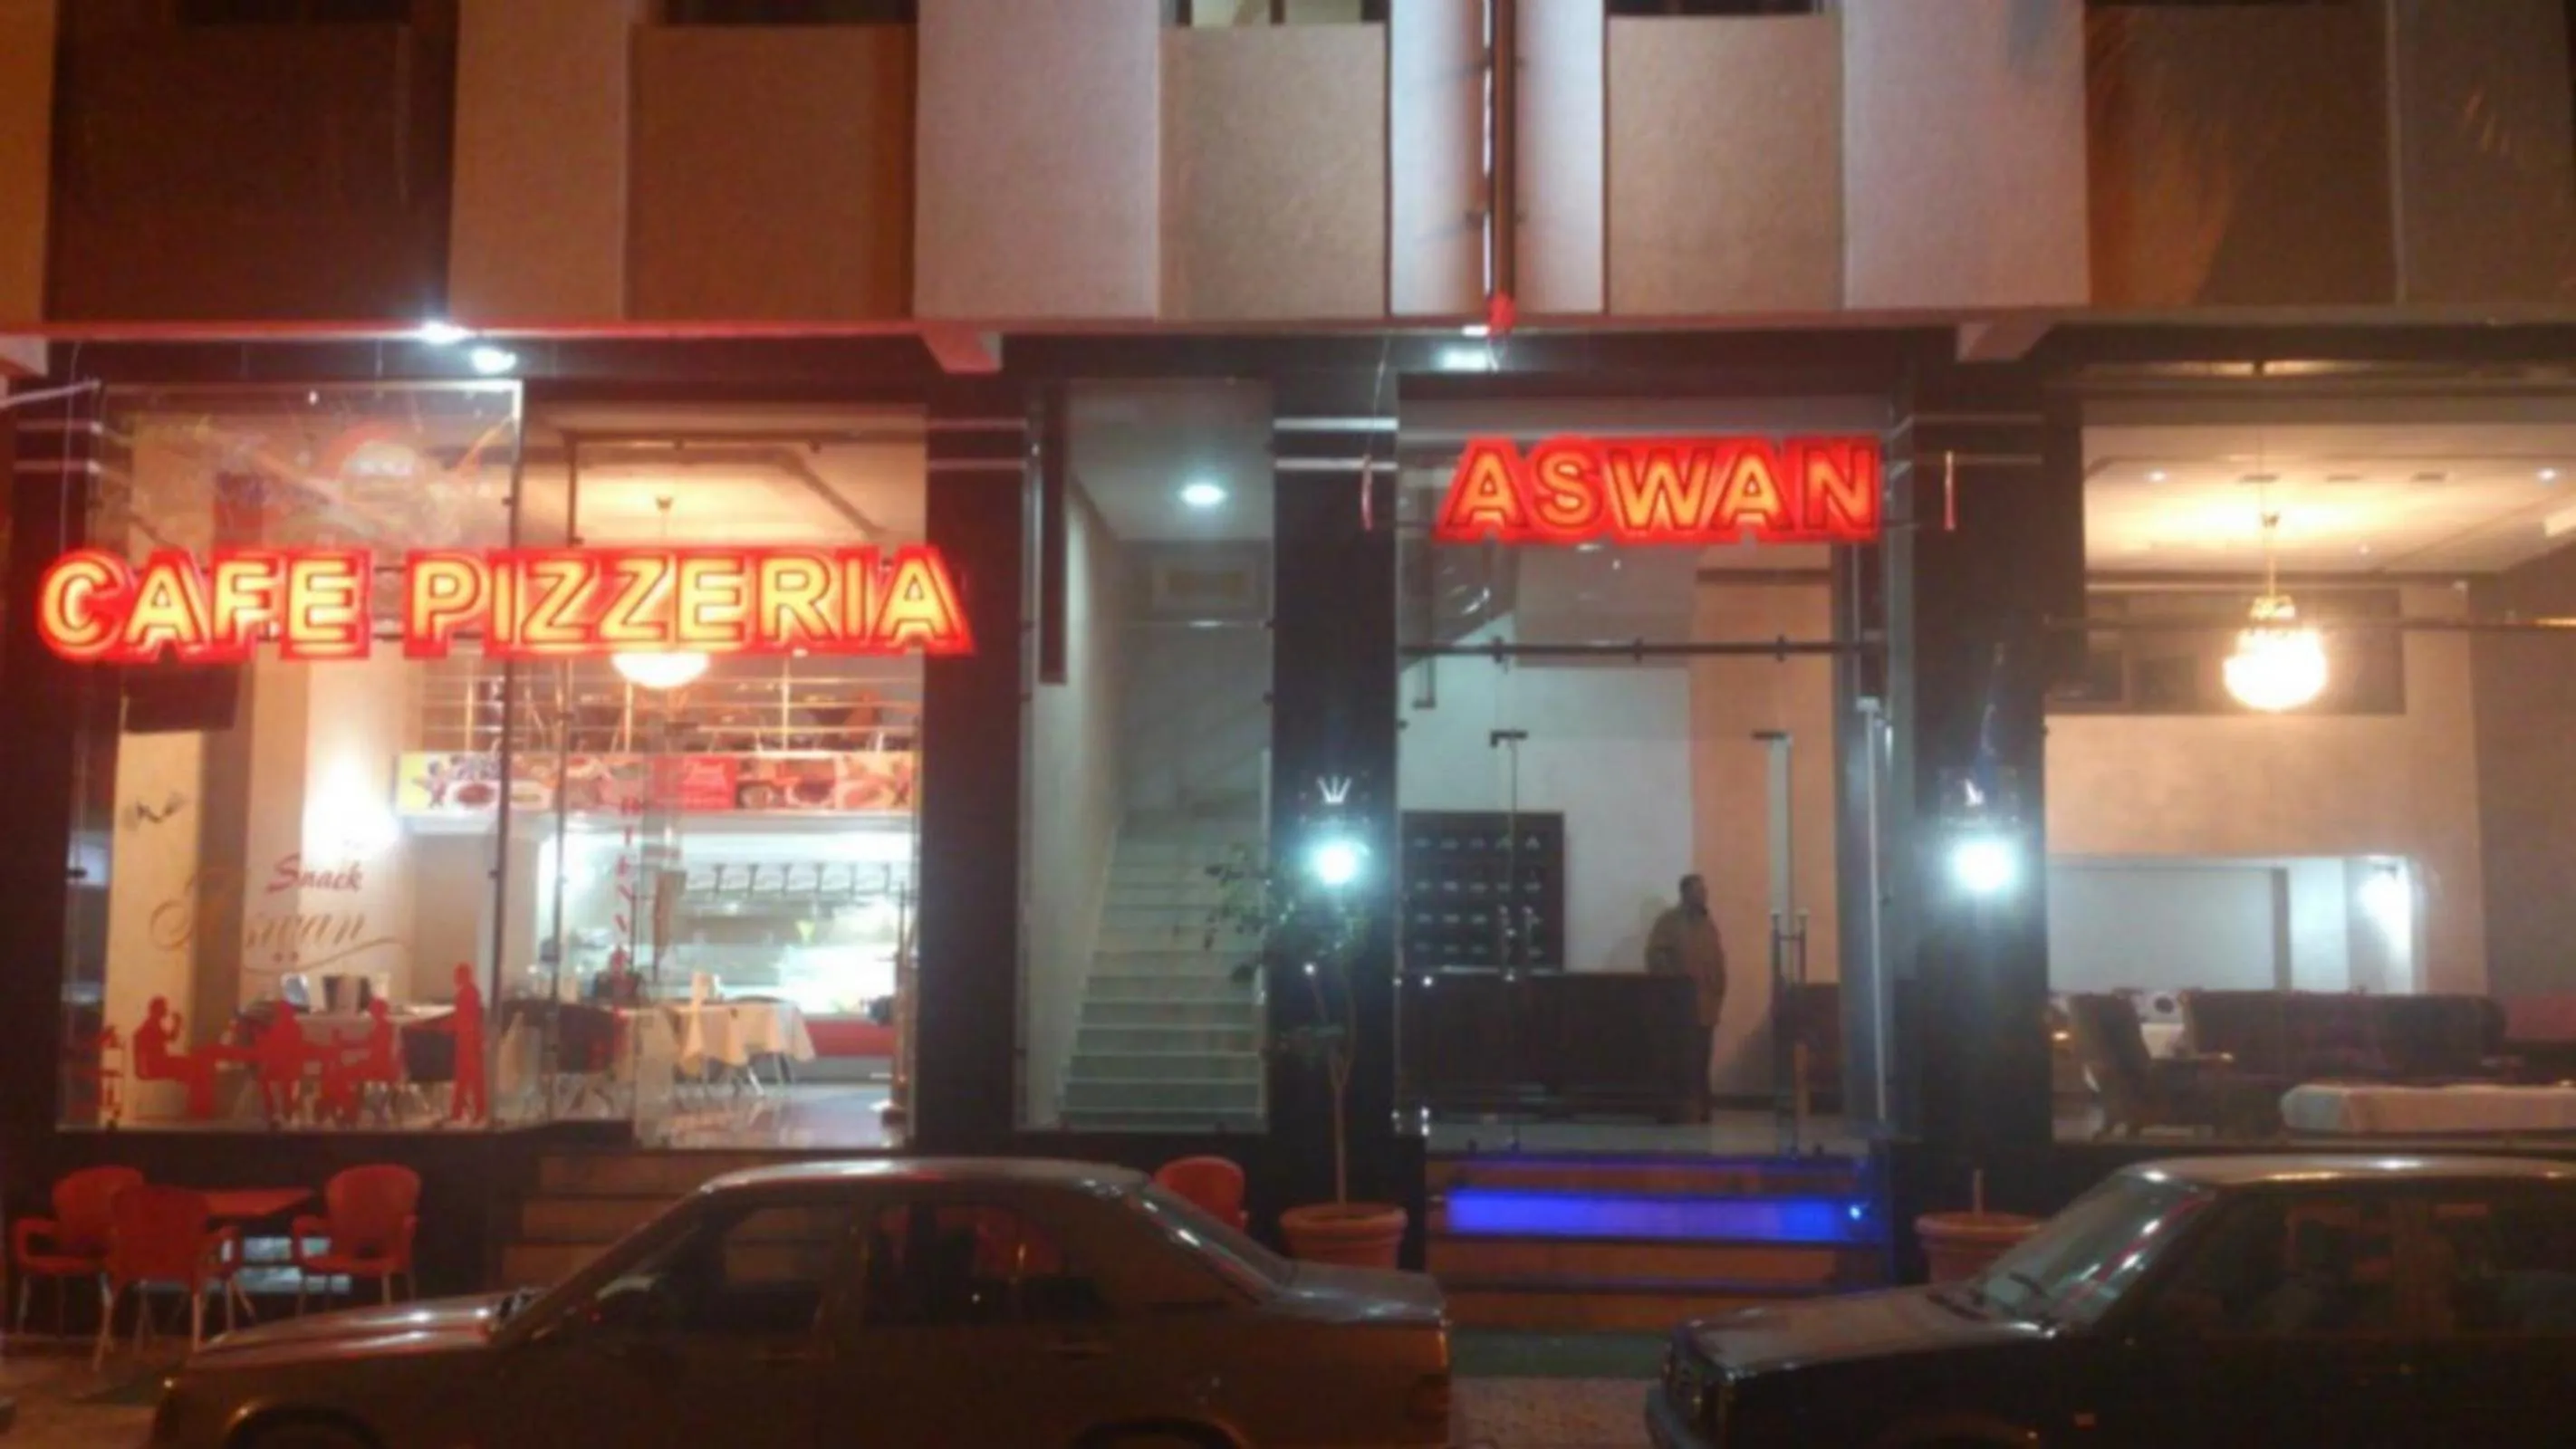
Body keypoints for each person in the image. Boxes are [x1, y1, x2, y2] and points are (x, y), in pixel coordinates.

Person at [1646, 873, 1728, 1117]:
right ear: (1685, 893)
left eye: (1705, 891)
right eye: (1698, 891)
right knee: (1680, 1059)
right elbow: (1655, 956)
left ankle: (1703, 1105)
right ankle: (1681, 1107)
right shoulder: (1668, 922)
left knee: (1702, 1058)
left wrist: (1719, 986)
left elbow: (1717, 959)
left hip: (1706, 1006)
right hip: (1679, 1008)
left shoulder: (1708, 924)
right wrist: (1676, 983)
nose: (1704, 895)